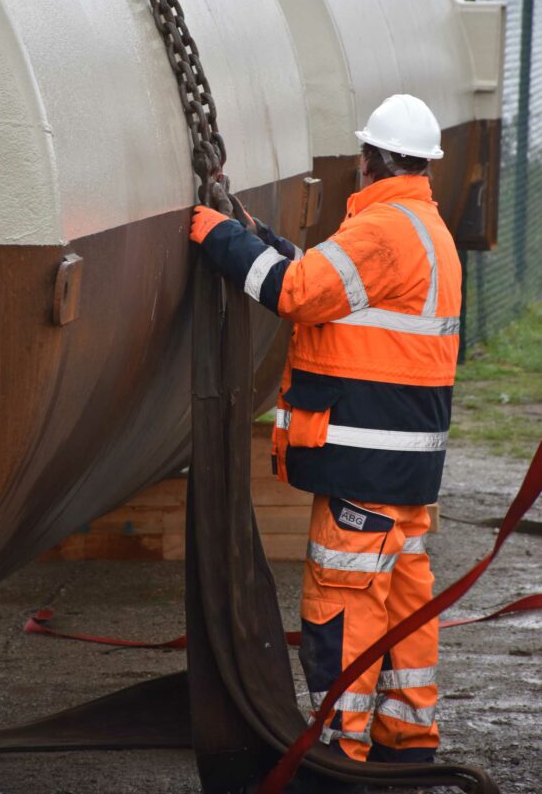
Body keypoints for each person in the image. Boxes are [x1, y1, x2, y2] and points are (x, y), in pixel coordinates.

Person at [189, 94, 461, 772]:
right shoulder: (427, 229)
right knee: (402, 599)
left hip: (363, 465)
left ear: (367, 160)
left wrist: (214, 235)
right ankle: (408, 739)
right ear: (423, 163)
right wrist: (268, 240)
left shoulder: (380, 230)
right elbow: (336, 291)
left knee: (343, 599)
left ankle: (340, 750)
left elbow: (291, 292)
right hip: (405, 467)